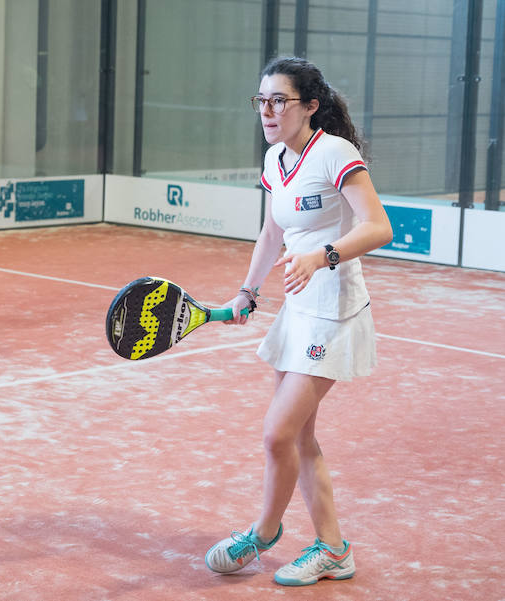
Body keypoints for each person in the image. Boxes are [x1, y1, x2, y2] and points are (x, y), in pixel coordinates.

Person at [204, 57, 393, 586]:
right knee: (300, 437)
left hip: (334, 313)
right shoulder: (275, 158)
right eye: (261, 101)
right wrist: (247, 290)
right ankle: (333, 549)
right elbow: (272, 233)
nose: (267, 111)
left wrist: (321, 256)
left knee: (277, 433)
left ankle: (262, 533)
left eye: (279, 101)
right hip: (298, 309)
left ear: (309, 106)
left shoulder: (335, 153)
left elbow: (379, 227)